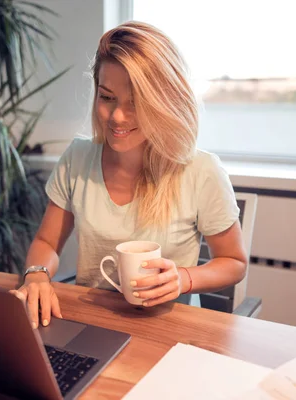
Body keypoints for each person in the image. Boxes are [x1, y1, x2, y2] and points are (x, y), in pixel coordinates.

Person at [14, 21, 248, 329]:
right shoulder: (78, 158)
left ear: (164, 102)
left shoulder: (200, 171)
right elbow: (46, 241)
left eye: (136, 104)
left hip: (166, 328)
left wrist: (185, 278)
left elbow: (234, 263)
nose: (117, 117)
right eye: (107, 97)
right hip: (92, 323)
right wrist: (36, 275)